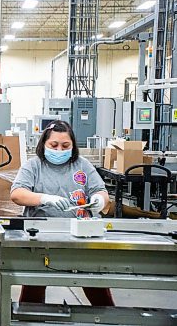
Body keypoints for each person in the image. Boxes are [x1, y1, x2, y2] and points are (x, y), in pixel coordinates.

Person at [10, 120, 114, 306]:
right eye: (54, 145)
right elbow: (17, 194)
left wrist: (99, 199)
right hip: (42, 237)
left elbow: (101, 191)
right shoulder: (33, 166)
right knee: (34, 287)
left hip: (82, 237)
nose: (59, 150)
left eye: (65, 146)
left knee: (96, 284)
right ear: (44, 144)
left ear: (73, 146)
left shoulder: (83, 165)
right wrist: (44, 198)